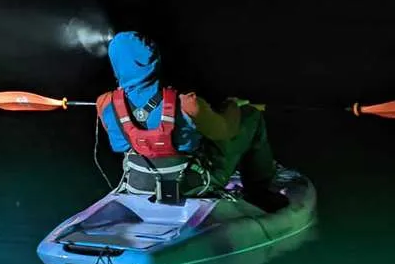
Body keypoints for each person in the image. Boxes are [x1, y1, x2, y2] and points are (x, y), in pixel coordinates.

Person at [96, 31, 289, 213]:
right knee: (251, 115)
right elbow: (225, 131)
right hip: (193, 184)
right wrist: (232, 106)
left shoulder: (104, 103)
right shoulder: (188, 103)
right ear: (155, 60)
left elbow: (120, 142)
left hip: (137, 184)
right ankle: (259, 192)